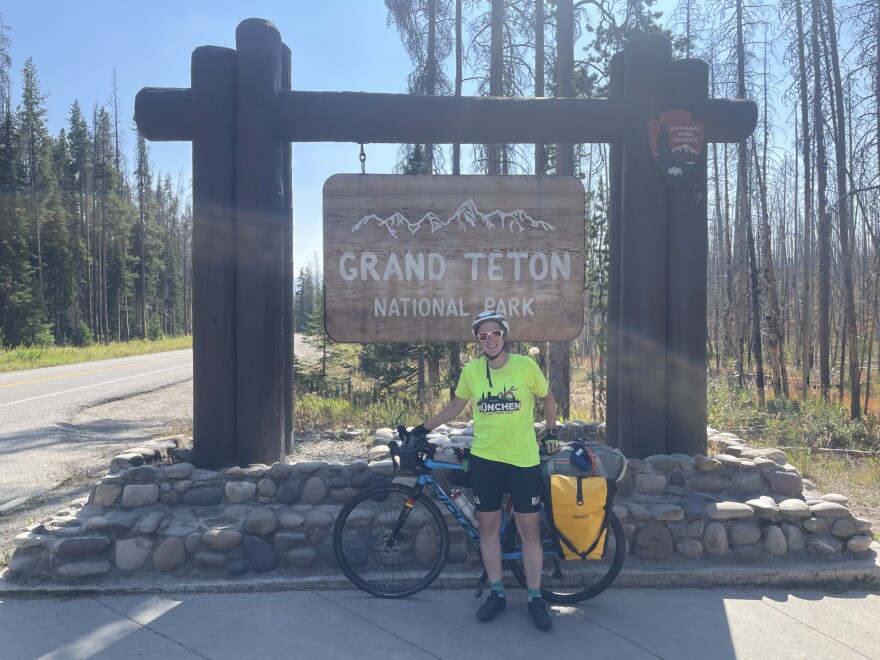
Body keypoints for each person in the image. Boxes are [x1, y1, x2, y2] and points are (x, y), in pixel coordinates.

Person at [410, 310, 560, 631]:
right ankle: (497, 594)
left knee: (529, 531)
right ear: (477, 340)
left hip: (523, 460)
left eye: (495, 333)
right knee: (488, 528)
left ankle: (535, 597)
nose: (490, 339)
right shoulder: (473, 372)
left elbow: (549, 398)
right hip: (486, 460)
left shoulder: (526, 366)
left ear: (505, 335)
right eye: (483, 335)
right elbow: (454, 407)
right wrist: (421, 429)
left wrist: (551, 431)